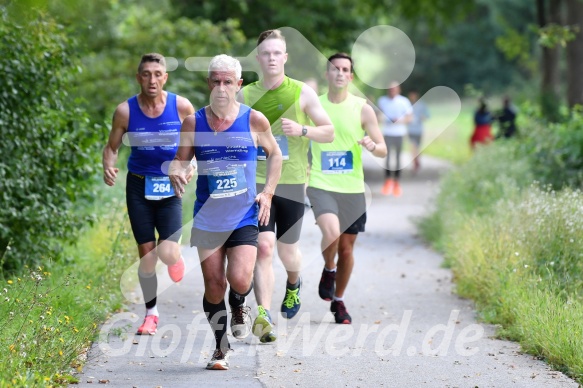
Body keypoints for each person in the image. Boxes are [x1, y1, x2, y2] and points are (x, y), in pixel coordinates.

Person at [169, 54, 282, 370]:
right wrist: (180, 171)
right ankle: (221, 348)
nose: (221, 87)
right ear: (208, 84)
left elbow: (274, 155)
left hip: (245, 212)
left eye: (227, 82)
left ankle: (239, 304)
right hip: (208, 216)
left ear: (239, 85)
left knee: (240, 279)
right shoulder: (194, 123)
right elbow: (181, 159)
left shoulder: (254, 120)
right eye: (215, 81)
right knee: (214, 284)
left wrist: (269, 193)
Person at [239, 29, 334, 343]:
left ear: (285, 57)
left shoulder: (302, 92)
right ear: (258, 57)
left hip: (292, 183)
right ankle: (264, 316)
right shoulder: (246, 95)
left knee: (287, 251)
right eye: (266, 53)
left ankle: (294, 282)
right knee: (263, 248)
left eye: (277, 53)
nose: (271, 58)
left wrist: (304, 129)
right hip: (256, 182)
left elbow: (329, 132)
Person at [102, 53, 195, 336]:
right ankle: (151, 313)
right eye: (146, 74)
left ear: (165, 77)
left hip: (170, 186)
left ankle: (175, 258)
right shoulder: (125, 111)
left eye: (157, 74)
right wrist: (108, 163)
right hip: (139, 186)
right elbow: (112, 146)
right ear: (138, 77)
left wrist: (189, 166)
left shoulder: (181, 106)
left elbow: (196, 144)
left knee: (166, 253)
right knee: (146, 256)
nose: (152, 79)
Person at [308, 53, 387, 324]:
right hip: (321, 182)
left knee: (347, 249)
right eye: (335, 69)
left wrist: (373, 146)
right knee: (331, 234)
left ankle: (339, 301)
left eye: (345, 70)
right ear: (327, 74)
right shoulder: (313, 105)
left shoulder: (363, 108)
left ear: (351, 77)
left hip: (352, 187)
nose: (340, 73)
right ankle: (329, 269)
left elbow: (383, 149)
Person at [377, 81, 412, 197]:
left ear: (398, 90)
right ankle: (387, 181)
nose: (392, 91)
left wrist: (398, 120)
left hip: (399, 133)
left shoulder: (404, 101)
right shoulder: (382, 101)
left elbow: (409, 118)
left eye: (394, 89)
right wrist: (384, 120)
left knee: (397, 158)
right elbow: (378, 116)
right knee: (386, 158)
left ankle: (396, 183)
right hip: (387, 133)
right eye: (390, 89)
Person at [407, 89, 430, 173]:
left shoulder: (422, 105)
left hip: (419, 130)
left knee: (418, 147)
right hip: (410, 130)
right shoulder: (407, 105)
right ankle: (415, 163)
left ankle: (417, 159)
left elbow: (427, 116)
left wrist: (422, 117)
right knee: (412, 146)